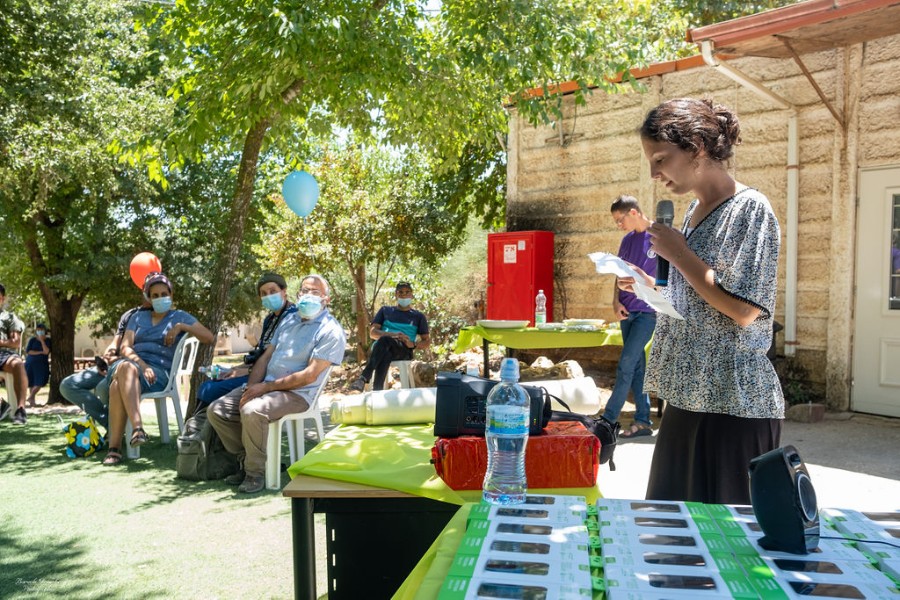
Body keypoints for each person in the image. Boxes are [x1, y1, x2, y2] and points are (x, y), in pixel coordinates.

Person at [633, 97, 783, 505]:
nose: (654, 173)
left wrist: (679, 253)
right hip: (688, 394)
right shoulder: (693, 212)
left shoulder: (750, 209)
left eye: (661, 159)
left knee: (729, 548)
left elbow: (743, 309)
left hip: (732, 403)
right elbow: (700, 289)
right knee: (672, 535)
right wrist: (648, 282)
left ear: (697, 146)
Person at [207, 274, 346, 493]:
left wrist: (266, 388)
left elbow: (310, 375)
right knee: (217, 410)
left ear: (326, 299)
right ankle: (246, 458)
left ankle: (255, 473)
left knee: (253, 410)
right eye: (304, 290)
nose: (308, 295)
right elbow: (265, 358)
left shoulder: (331, 330)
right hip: (267, 386)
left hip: (298, 395)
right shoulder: (289, 321)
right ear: (297, 294)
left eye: (315, 292)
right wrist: (250, 387)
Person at [103, 272, 215, 465]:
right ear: (148, 297)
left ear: (171, 294)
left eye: (164, 293)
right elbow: (125, 347)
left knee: (116, 386)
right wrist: (143, 365)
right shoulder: (137, 317)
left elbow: (209, 337)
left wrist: (181, 326)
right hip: (134, 367)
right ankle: (138, 427)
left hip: (160, 374)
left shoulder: (179, 316)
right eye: (155, 295)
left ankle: (114, 449)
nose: (160, 298)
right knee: (126, 368)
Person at [196, 272, 296, 407]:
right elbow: (260, 354)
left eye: (273, 291)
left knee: (209, 390)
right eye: (263, 293)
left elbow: (280, 358)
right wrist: (234, 370)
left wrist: (247, 372)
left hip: (272, 377)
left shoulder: (293, 317)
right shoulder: (269, 319)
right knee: (208, 386)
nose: (268, 296)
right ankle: (197, 426)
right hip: (256, 371)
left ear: (284, 291)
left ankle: (203, 426)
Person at [602, 196, 657, 437]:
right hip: (626, 312)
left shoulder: (661, 236)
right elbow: (618, 273)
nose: (618, 225)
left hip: (648, 313)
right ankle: (643, 421)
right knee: (636, 367)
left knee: (626, 364)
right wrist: (615, 302)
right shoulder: (626, 241)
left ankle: (608, 420)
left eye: (619, 220)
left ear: (633, 212)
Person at [59, 303, 150, 432]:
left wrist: (118, 360)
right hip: (111, 365)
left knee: (103, 386)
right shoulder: (130, 314)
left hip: (132, 367)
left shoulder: (160, 317)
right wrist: (107, 356)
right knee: (67, 385)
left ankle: (115, 429)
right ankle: (111, 424)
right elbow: (115, 342)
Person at [349, 281, 430, 391]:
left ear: (412, 295)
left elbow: (427, 342)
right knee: (385, 350)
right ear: (396, 295)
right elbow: (373, 333)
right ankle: (377, 390)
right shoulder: (385, 311)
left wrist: (413, 344)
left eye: (407, 292)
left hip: (403, 349)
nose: (404, 295)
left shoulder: (418, 316)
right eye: (400, 292)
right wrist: (393, 335)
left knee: (385, 341)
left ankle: (363, 378)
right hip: (382, 347)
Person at [0, 283, 28, 425]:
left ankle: (21, 409)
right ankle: (2, 404)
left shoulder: (9, 317)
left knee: (18, 364)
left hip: (5, 355)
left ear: (3, 299)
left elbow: (15, 342)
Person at [24, 323, 51, 407]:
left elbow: (46, 351)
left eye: (41, 330)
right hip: (31, 363)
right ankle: (32, 402)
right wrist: (40, 352)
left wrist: (42, 341)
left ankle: (30, 396)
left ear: (44, 331)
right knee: (32, 382)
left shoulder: (48, 340)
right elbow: (29, 351)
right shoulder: (32, 340)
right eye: (38, 330)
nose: (39, 332)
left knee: (40, 381)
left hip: (42, 364)